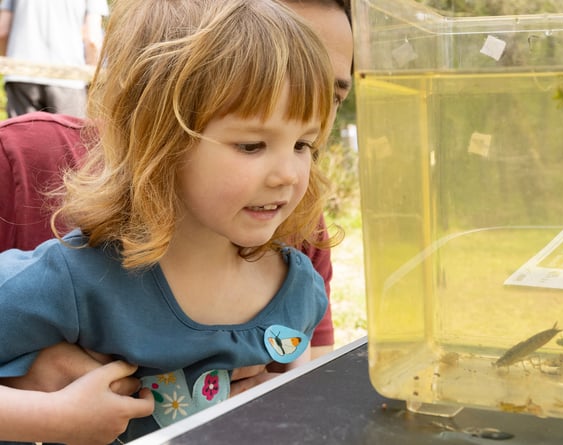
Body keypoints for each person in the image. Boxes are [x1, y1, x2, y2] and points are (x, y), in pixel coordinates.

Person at [0, 0, 337, 443]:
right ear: (159, 138)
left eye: (303, 145)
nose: (289, 175)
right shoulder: (78, 278)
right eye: (252, 145)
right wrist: (50, 416)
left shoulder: (299, 289)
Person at [0, 0, 108, 117]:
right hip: (69, 78)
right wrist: (92, 80)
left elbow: (3, 32)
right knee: (69, 134)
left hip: (21, 76)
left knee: (22, 134)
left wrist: (11, 67)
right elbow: (92, 38)